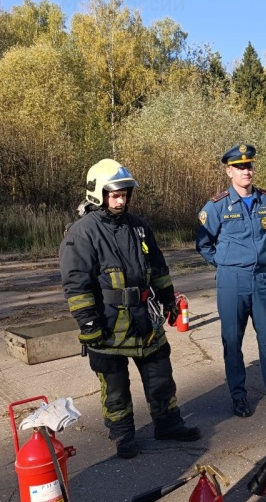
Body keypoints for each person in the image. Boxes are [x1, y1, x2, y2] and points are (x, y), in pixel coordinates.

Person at [60, 158, 200, 458]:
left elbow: (158, 267)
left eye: (125, 193)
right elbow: (76, 284)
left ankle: (168, 423)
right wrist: (88, 324)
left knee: (161, 375)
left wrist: (168, 301)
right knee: (115, 386)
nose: (121, 199)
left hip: (145, 320)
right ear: (98, 194)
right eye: (115, 194)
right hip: (108, 324)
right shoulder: (82, 233)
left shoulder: (138, 227)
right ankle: (123, 435)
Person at [196, 143, 266, 417]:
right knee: (233, 340)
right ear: (229, 171)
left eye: (249, 165)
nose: (246, 171)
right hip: (232, 280)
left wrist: (261, 256)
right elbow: (204, 243)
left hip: (262, 278)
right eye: (240, 167)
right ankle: (239, 394)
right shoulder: (217, 205)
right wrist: (225, 263)